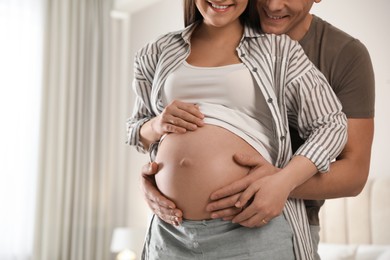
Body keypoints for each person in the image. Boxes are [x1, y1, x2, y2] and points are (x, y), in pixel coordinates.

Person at [138, 0, 375, 259]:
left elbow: (348, 161)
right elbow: (141, 131)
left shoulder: (311, 52)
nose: (273, 5)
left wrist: (280, 183)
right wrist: (154, 175)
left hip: (264, 222)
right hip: (172, 232)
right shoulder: (161, 51)